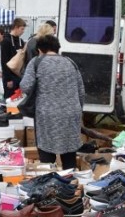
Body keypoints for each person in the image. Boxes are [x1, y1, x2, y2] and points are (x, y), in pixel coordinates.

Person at [20, 35, 84, 169]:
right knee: (69, 153)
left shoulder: (36, 62)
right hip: (71, 113)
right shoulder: (70, 62)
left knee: (47, 153)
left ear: (40, 49)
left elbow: (25, 86)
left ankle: (50, 182)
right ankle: (70, 183)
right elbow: (81, 91)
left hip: (47, 114)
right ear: (57, 48)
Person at [0, 18, 27, 98]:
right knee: (9, 99)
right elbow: (4, 61)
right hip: (9, 77)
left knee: (18, 100)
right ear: (16, 27)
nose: (23, 31)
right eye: (21, 29)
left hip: (19, 76)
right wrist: (8, 79)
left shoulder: (21, 41)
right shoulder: (6, 41)